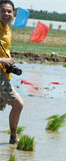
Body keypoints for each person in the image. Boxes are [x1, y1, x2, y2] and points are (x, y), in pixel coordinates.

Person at [0, 0, 23, 145]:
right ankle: (14, 138)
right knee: (18, 104)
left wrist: (8, 60)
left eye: (9, 11)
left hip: (5, 74)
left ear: (13, 13)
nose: (6, 14)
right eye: (3, 10)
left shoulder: (7, 30)